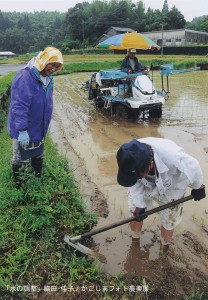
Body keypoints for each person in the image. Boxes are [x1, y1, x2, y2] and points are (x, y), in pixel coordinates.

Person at [116, 137, 206, 250]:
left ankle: (164, 247)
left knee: (170, 218)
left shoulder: (174, 157)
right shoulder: (128, 158)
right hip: (144, 183)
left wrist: (198, 187)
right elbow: (133, 183)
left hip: (172, 184)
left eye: (137, 175)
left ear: (150, 165)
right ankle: (135, 242)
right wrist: (139, 206)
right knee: (134, 212)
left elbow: (194, 166)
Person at [7, 47, 63, 185]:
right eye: (52, 64)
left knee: (38, 153)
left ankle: (37, 178)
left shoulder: (48, 78)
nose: (54, 69)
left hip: (39, 125)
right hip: (24, 127)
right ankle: (19, 186)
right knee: (20, 157)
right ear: (44, 60)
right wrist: (22, 130)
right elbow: (19, 106)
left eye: (57, 66)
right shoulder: (25, 77)